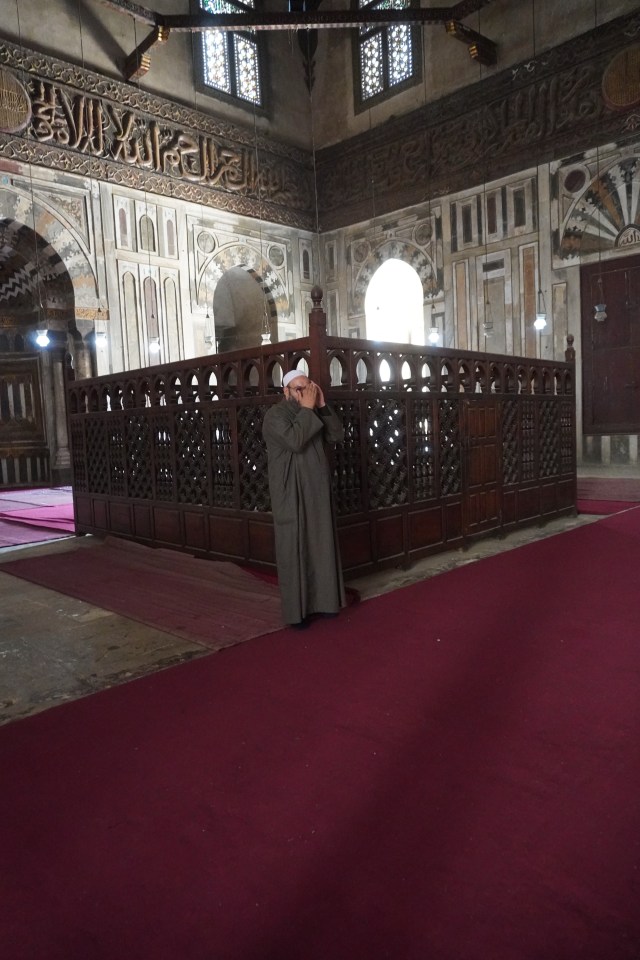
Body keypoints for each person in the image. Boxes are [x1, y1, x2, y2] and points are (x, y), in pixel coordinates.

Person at [262, 370, 346, 629]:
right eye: (298, 389)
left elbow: (337, 435)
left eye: (307, 387)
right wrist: (308, 409)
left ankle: (326, 603)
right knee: (294, 546)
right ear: (285, 391)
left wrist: (322, 405)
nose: (303, 393)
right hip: (291, 491)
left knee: (320, 543)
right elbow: (295, 441)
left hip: (316, 488)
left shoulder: (313, 409)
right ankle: (297, 613)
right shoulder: (275, 415)